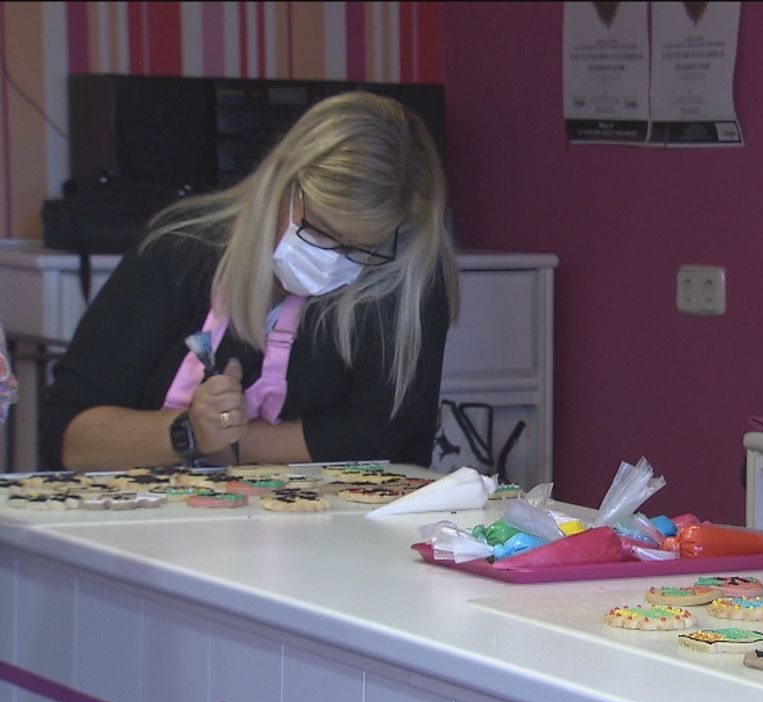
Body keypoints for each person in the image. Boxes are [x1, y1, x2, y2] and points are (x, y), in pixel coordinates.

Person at [41, 92, 458, 471]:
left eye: (360, 250)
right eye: (319, 231)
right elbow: (68, 437)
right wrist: (191, 432)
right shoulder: (178, 249)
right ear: (281, 182)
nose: (332, 262)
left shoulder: (405, 276)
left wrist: (235, 443)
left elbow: (379, 439)